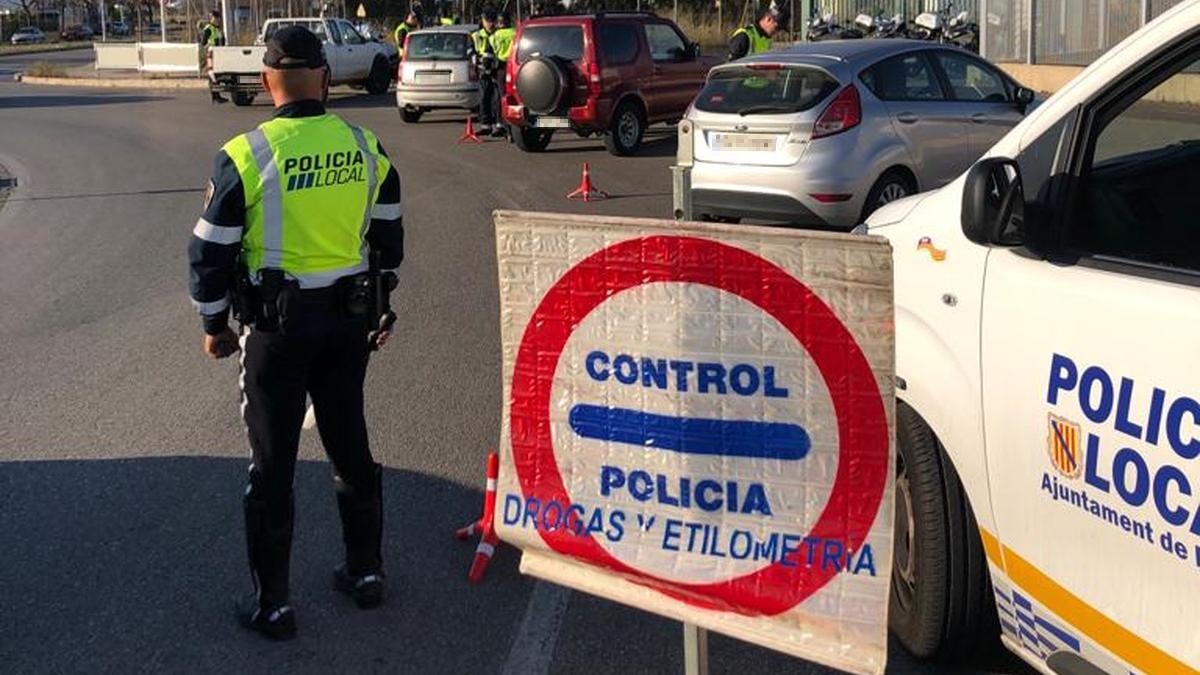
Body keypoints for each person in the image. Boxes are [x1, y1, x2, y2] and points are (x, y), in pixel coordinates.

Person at [187, 25, 404, 641]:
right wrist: (380, 311)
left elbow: (208, 253)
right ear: (327, 79)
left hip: (275, 333)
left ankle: (274, 606)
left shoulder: (244, 155)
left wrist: (213, 325)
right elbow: (388, 244)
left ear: (266, 81)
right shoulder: (367, 148)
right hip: (348, 327)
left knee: (272, 463)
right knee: (349, 445)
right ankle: (366, 573)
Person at [471, 8, 500, 134]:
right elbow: (470, 50)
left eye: (492, 21)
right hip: (482, 69)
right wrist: (476, 60)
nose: (490, 24)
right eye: (487, 21)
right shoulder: (476, 35)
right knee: (484, 98)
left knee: (497, 98)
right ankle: (485, 125)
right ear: (482, 21)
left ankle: (499, 125)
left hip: (497, 69)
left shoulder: (500, 34)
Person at [486, 12, 515, 138]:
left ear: (498, 23)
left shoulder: (494, 36)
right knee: (515, 97)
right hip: (515, 68)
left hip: (501, 69)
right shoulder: (516, 33)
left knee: (501, 97)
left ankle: (503, 125)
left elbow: (488, 55)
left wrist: (487, 69)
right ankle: (515, 125)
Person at [202, 10, 228, 103]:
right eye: (215, 18)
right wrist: (209, 47)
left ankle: (217, 95)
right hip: (212, 53)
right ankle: (215, 96)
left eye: (217, 18)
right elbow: (203, 42)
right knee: (212, 73)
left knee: (217, 74)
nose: (217, 20)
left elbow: (222, 41)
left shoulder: (218, 29)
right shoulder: (209, 28)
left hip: (219, 53)